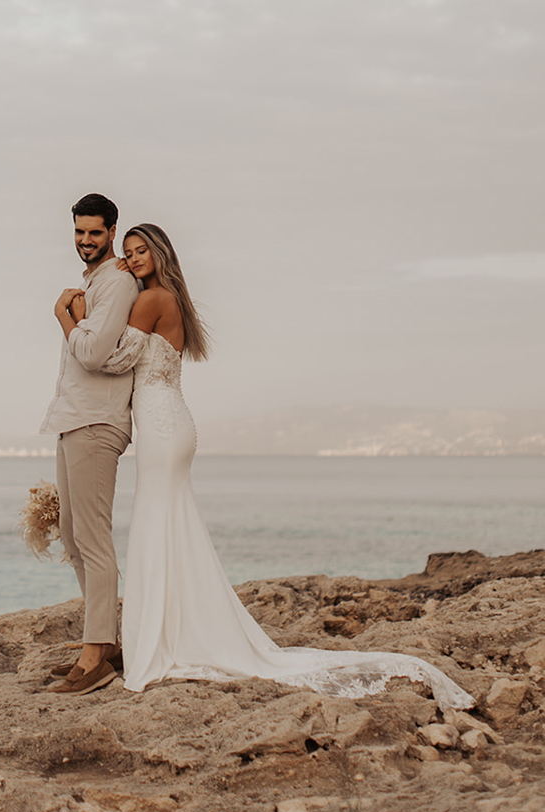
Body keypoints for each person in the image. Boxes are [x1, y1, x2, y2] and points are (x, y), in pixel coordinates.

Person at [85, 223, 473, 709]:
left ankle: (160, 644)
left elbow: (116, 359)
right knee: (171, 528)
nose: (135, 258)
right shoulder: (170, 298)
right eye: (129, 252)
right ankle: (175, 632)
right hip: (173, 422)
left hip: (163, 427)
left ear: (161, 254)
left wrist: (78, 316)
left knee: (153, 527)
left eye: (142, 251)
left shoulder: (150, 300)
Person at [39, 194, 139, 695]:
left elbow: (95, 353)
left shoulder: (117, 283)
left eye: (94, 233)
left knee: (94, 542)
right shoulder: (94, 283)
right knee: (73, 539)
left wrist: (63, 314)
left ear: (112, 230)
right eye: (79, 232)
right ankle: (104, 643)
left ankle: (95, 658)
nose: (85, 241)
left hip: (97, 423)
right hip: (73, 418)